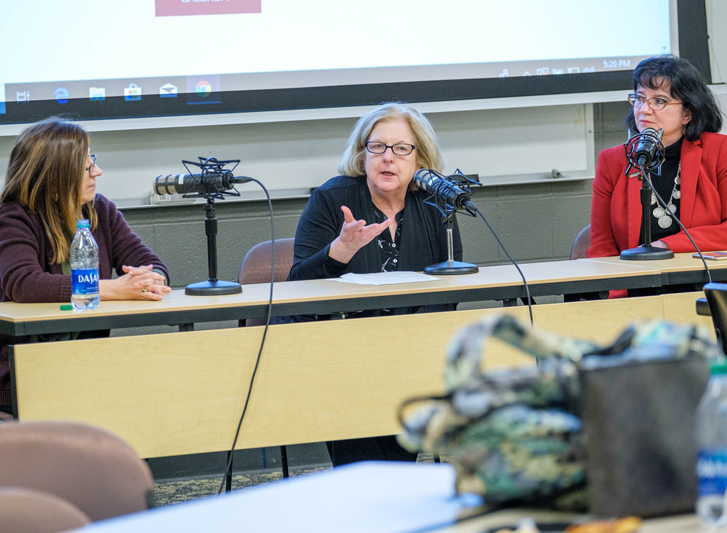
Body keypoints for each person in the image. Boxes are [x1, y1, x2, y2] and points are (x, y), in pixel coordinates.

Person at [287, 102, 463, 465]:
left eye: (401, 149)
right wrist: (339, 251)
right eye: (377, 147)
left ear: (420, 159)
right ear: (362, 153)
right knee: (366, 468)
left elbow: (448, 289)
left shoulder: (435, 204)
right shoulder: (331, 200)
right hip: (342, 359)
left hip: (411, 357)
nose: (388, 158)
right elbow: (297, 287)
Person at [0, 117, 171, 410]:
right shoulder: (14, 217)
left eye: (94, 160)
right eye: (87, 166)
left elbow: (150, 263)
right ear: (55, 176)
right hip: (23, 375)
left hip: (88, 366)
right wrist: (112, 289)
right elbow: (23, 284)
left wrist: (150, 279)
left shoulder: (99, 210)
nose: (98, 171)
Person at [588, 55, 727, 258]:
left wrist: (665, 245)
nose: (644, 110)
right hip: (635, 283)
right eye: (639, 98)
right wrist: (619, 290)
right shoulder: (612, 161)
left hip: (702, 280)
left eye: (659, 101)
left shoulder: (719, 151)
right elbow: (602, 247)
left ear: (687, 114)